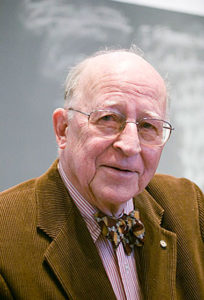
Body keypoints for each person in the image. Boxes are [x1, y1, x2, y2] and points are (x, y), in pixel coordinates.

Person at [0, 48, 203, 300]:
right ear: (63, 129)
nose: (130, 145)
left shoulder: (188, 204)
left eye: (148, 126)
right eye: (108, 118)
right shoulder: (4, 233)